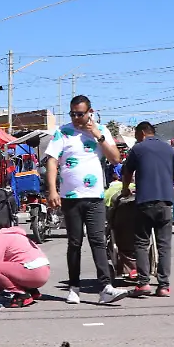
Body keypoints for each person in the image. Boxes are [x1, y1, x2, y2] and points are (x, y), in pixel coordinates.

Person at [44, 95, 128, 305]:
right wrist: (52, 190)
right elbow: (52, 162)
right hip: (70, 197)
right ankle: (73, 288)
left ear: (90, 111)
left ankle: (106, 288)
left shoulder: (101, 131)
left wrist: (97, 135)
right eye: (72, 113)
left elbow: (115, 158)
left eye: (79, 114)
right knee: (74, 242)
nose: (75, 117)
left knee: (98, 241)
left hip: (95, 197)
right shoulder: (63, 132)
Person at [121, 122, 174, 297]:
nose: (136, 138)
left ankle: (143, 283)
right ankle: (163, 286)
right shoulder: (168, 149)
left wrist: (124, 189)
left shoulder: (138, 149)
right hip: (165, 202)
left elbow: (127, 172)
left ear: (143, 132)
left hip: (144, 202)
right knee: (164, 246)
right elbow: (173, 173)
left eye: (136, 134)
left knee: (142, 243)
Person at [0, 225, 51, 307]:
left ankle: (21, 295)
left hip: (32, 273)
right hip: (43, 272)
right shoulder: (14, 235)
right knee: (13, 267)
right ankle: (32, 291)